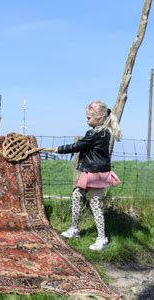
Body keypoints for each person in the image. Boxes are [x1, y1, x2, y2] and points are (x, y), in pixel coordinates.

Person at [42, 101, 122, 251]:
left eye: (89, 117)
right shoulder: (106, 132)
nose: (87, 119)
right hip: (99, 172)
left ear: (99, 117)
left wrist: (55, 149)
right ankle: (74, 229)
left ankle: (101, 239)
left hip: (93, 172)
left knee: (95, 204)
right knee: (77, 195)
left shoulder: (94, 133)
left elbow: (77, 146)